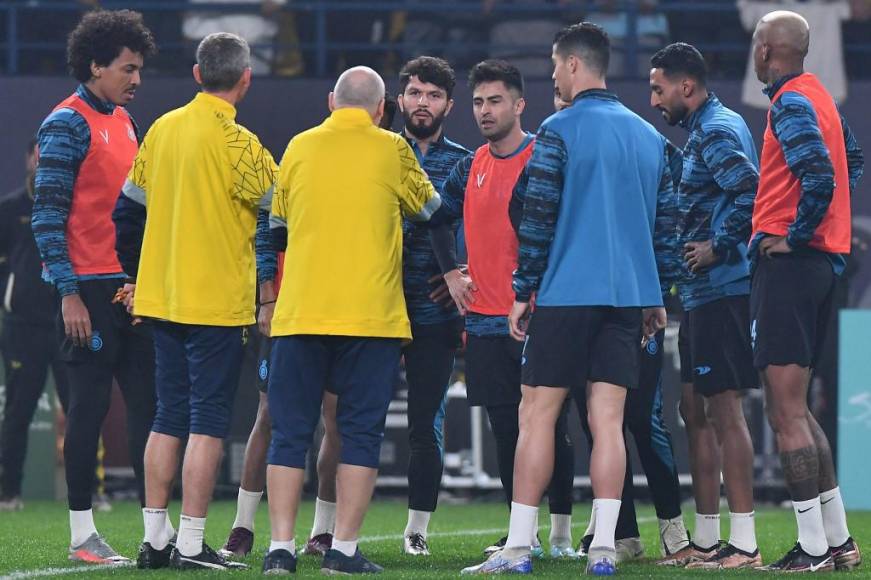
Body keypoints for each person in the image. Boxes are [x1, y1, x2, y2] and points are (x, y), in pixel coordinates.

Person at [461, 22, 679, 576]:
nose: (554, 74)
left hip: (564, 293)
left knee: (536, 414)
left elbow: (537, 216)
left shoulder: (557, 131)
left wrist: (521, 290)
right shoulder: (650, 137)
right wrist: (657, 294)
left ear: (574, 66)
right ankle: (604, 547)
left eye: (557, 66)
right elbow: (666, 227)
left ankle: (516, 549)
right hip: (628, 297)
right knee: (608, 422)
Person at [262, 66, 441, 575]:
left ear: (330, 101)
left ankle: (279, 550)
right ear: (382, 109)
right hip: (371, 317)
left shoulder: (297, 147)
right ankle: (342, 551)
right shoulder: (394, 149)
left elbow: (276, 228)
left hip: (301, 313)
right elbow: (432, 209)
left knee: (289, 435)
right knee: (360, 435)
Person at [114, 32, 277, 571]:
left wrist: (141, 275)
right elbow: (284, 213)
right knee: (207, 423)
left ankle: (154, 540)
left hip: (161, 299)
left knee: (167, 416)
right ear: (246, 80)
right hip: (216, 306)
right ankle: (189, 544)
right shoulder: (242, 146)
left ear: (197, 73)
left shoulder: (160, 130)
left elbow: (126, 215)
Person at [217, 94, 400, 561]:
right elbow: (267, 231)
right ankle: (243, 525)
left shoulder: (313, 153)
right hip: (292, 308)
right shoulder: (299, 157)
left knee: (333, 424)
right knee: (271, 417)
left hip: (320, 311)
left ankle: (320, 532)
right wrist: (266, 296)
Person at [532, 85, 690, 564]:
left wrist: (662, 288)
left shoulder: (638, 147)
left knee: (642, 420)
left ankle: (673, 527)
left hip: (628, 299)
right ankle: (617, 533)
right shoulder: (588, 147)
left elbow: (671, 210)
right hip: (603, 300)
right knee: (601, 420)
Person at [430, 59, 577, 560]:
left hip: (538, 317)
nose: (485, 111)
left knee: (552, 427)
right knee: (504, 429)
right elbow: (433, 217)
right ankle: (521, 533)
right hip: (484, 319)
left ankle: (559, 535)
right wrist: (451, 272)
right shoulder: (471, 165)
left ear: (519, 104)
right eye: (478, 102)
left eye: (495, 101)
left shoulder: (543, 158)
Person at [31, 9, 156, 565]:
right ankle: (83, 535)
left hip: (127, 291)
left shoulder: (127, 123)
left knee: (150, 409)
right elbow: (47, 215)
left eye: (139, 69)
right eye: (128, 69)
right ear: (95, 65)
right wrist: (68, 292)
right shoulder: (67, 122)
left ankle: (157, 531)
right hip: (84, 290)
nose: (136, 79)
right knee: (87, 409)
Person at [748, 10, 863, 572]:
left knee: (784, 411)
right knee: (801, 411)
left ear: (767, 49)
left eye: (754, 44)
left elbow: (818, 174)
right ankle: (837, 540)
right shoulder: (821, 97)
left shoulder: (789, 102)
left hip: (793, 269)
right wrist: (825, 226)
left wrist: (796, 236)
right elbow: (852, 161)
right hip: (823, 266)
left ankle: (812, 548)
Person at [648, 42, 763, 569]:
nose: (654, 99)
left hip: (723, 290)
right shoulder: (700, 132)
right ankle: (709, 538)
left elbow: (750, 192)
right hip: (697, 295)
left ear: (685, 87)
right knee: (692, 410)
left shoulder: (716, 130)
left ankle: (744, 542)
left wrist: (718, 245)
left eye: (658, 88)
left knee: (723, 410)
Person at [0, 139, 70, 511]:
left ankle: (88, 491)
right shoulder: (9, 209)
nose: (44, 161)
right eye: (39, 154)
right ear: (30, 158)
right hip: (22, 328)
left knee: (79, 409)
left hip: (66, 323)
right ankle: (9, 492)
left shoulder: (69, 206)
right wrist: (9, 301)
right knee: (18, 410)